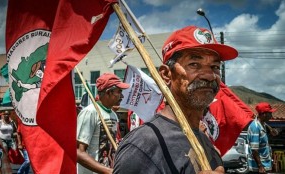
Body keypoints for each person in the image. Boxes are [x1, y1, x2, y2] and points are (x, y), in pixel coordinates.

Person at [113, 25, 238, 174]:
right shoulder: (144, 144)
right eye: (194, 65)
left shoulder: (204, 139)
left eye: (215, 66)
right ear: (166, 75)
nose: (209, 75)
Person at [77, 73, 130, 174]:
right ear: (109, 92)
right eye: (119, 92)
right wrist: (108, 171)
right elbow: (78, 152)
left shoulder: (113, 115)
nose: (122, 96)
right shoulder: (90, 112)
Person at [247, 102, 277, 173]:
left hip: (265, 165)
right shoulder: (255, 127)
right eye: (270, 113)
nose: (271, 116)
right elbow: (254, 150)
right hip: (258, 168)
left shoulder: (263, 125)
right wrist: (260, 166)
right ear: (264, 114)